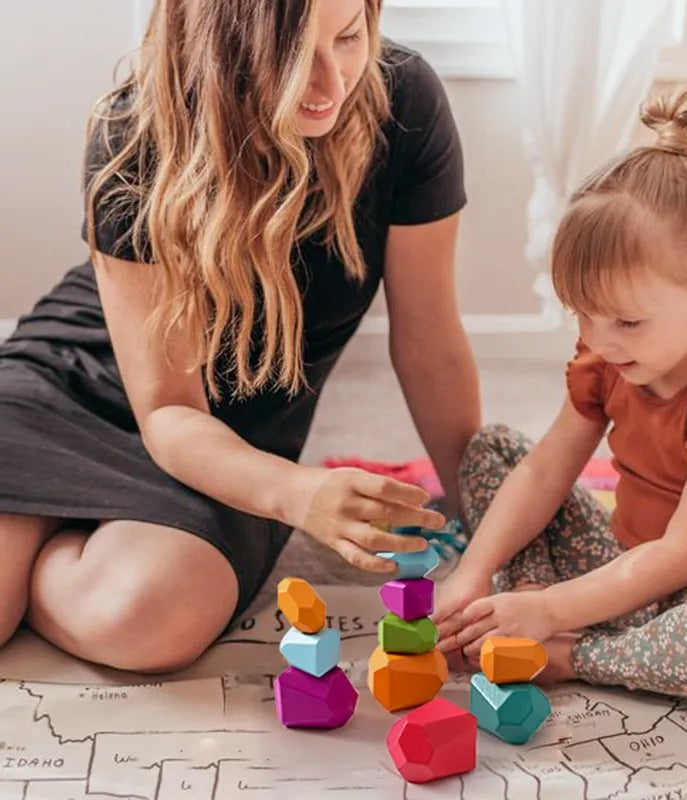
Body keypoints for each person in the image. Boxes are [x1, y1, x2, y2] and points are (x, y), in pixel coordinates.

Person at [0, 0, 480, 673]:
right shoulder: (136, 129)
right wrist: (298, 493)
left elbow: (430, 346)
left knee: (147, 619)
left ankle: (41, 547)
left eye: (346, 38)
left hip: (233, 444)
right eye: (289, 59)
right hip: (76, 387)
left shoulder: (405, 102)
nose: (331, 84)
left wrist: (481, 519)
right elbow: (166, 408)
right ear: (219, 49)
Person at [434, 89, 687, 704]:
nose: (597, 340)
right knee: (494, 450)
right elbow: (547, 469)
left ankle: (577, 654)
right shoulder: (609, 355)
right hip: (619, 566)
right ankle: (519, 605)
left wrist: (557, 612)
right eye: (582, 314)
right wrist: (471, 573)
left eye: (626, 322)